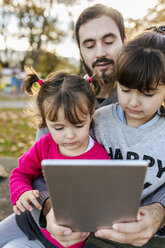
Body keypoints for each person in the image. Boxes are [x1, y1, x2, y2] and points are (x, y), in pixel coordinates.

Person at [0, 4, 164, 248]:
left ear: (126, 42)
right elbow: (37, 173)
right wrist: (49, 209)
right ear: (79, 50)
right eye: (89, 44)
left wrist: (159, 213)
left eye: (108, 41)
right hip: (51, 226)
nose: (100, 52)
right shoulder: (63, 103)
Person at [5, 67, 110, 248]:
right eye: (59, 128)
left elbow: (104, 203)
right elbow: (20, 174)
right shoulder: (44, 145)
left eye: (78, 125)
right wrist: (21, 192)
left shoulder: (99, 158)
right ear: (45, 122)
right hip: (33, 223)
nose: (69, 136)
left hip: (69, 241)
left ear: (91, 115)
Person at [84, 29, 165, 248]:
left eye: (148, 93)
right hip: (94, 233)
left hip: (151, 239)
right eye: (126, 89)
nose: (134, 102)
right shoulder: (99, 120)